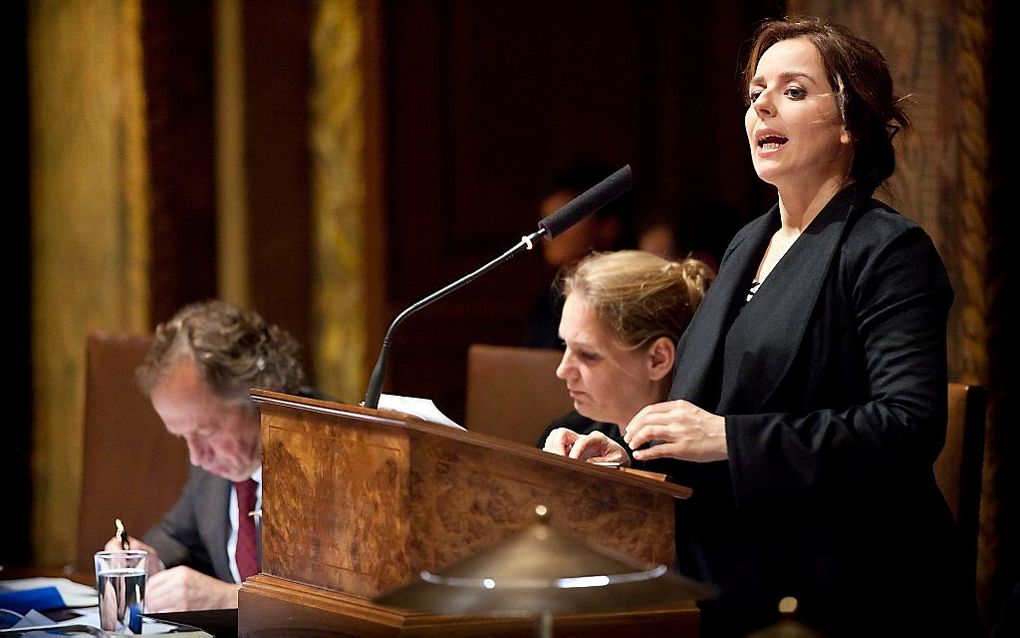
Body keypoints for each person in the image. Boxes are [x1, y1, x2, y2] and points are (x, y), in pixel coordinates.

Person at [560, 17, 977, 637]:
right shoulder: (747, 244)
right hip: (741, 567)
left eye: (794, 90)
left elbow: (906, 427)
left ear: (848, 125)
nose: (762, 107)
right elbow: (716, 411)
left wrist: (730, 439)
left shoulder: (888, 249)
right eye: (756, 92)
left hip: (854, 585)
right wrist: (633, 460)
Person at [104, 300, 315, 612]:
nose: (196, 457)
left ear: (259, 394)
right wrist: (147, 559)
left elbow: (348, 604)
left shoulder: (335, 455)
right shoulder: (216, 464)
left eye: (206, 432)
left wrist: (231, 599)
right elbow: (177, 537)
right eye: (183, 437)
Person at [537, 250, 714, 457]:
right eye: (564, 344)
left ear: (658, 359)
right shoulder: (568, 431)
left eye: (588, 355)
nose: (562, 370)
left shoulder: (701, 462)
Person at [523, 160, 637, 349]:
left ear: (608, 226)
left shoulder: (626, 303)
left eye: (562, 223)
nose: (548, 235)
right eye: (545, 220)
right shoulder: (547, 301)